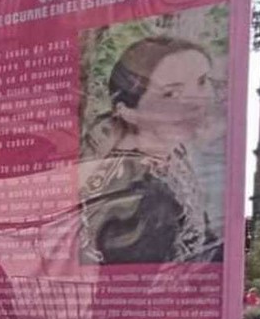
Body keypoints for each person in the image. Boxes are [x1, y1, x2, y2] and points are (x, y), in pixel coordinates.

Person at [79, 36, 220, 265]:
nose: (197, 101)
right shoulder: (136, 192)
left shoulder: (172, 155)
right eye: (170, 94)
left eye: (202, 81)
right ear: (128, 112)